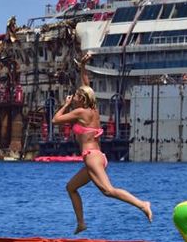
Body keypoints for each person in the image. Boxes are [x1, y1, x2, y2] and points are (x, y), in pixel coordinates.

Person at [52, 53, 152, 234]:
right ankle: (81, 223)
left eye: (75, 96)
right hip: (98, 157)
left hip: (92, 158)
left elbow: (55, 120)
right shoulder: (93, 109)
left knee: (108, 191)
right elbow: (86, 84)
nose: (72, 97)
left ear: (81, 99)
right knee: (71, 187)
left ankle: (142, 204)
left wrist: (66, 105)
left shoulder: (81, 112)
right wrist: (83, 65)